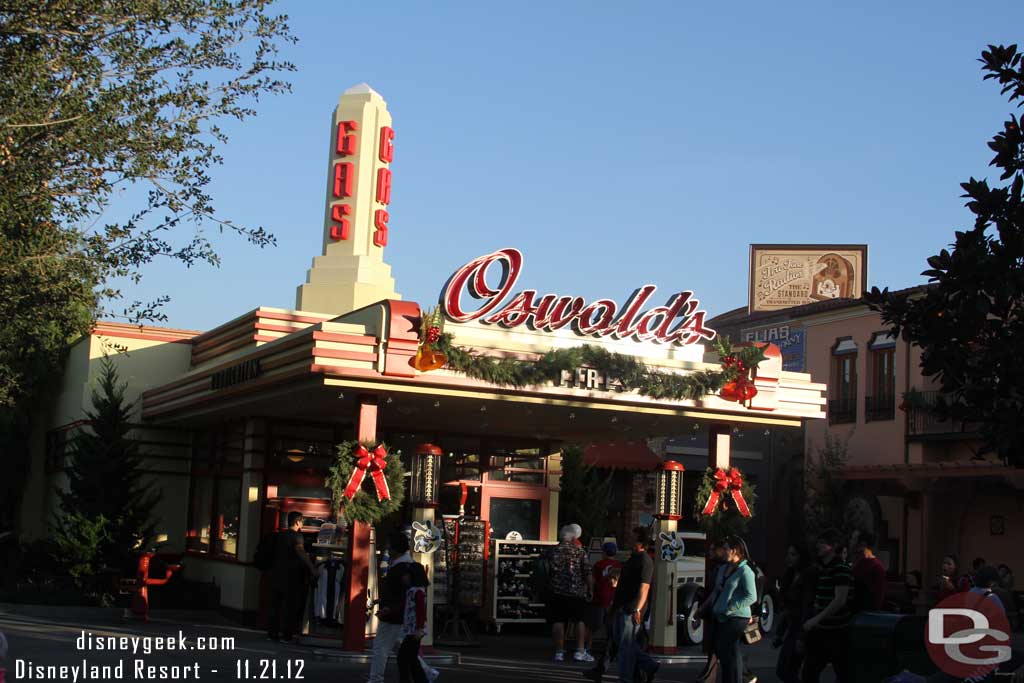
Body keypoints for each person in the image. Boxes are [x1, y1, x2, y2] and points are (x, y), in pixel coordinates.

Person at [369, 531, 428, 683]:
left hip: (393, 618)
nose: (386, 549)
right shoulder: (413, 566)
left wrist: (387, 608)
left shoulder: (397, 569)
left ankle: (376, 679)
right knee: (406, 653)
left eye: (389, 546)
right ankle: (426, 675)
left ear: (394, 548)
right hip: (406, 620)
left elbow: (402, 597)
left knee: (382, 648)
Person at [800, 529, 854, 683]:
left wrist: (815, 619)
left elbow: (840, 600)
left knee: (843, 673)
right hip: (821, 631)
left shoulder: (841, 569)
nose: (818, 546)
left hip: (837, 632)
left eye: (823, 543)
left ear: (833, 546)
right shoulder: (823, 568)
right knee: (809, 673)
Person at [610, 526, 659, 683]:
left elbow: (644, 588)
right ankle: (649, 665)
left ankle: (625, 678)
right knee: (622, 642)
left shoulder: (645, 561)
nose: (630, 539)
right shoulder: (633, 558)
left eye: (633, 537)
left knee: (625, 646)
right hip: (621, 605)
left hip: (631, 608)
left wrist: (637, 608)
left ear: (640, 542)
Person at [711, 535, 757, 683]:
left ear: (734, 550)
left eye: (725, 549)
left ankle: (737, 678)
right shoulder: (723, 568)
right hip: (721, 616)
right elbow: (717, 591)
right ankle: (739, 677)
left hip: (737, 617)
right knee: (724, 652)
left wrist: (730, 608)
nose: (723, 551)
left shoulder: (745, 571)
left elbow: (751, 596)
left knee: (728, 651)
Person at [267, 511, 317, 642]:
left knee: (275, 605)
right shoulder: (297, 537)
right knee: (290, 606)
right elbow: (301, 553)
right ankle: (286, 635)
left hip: (276, 574)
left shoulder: (279, 535)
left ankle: (272, 634)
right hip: (291, 576)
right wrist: (312, 568)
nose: (302, 524)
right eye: (302, 521)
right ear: (297, 522)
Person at [548, 524, 594, 662]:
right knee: (580, 620)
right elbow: (587, 572)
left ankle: (559, 652)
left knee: (558, 620)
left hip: (557, 590)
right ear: (574, 537)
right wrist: (590, 589)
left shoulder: (553, 551)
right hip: (576, 591)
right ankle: (579, 651)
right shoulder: (579, 551)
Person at [774, 543, 812, 683]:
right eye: (789, 554)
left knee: (785, 670)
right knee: (787, 670)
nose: (789, 558)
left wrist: (802, 636)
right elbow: (785, 608)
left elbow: (807, 606)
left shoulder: (808, 574)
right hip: (792, 626)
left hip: (802, 627)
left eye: (793, 554)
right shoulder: (790, 574)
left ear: (802, 556)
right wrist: (779, 633)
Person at [396, 556, 429, 683]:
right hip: (412, 630)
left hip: (415, 631)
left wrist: (419, 628)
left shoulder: (417, 592)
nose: (403, 578)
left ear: (413, 576)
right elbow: (404, 607)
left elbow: (421, 611)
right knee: (411, 659)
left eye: (406, 575)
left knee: (403, 658)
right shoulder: (411, 591)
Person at [585, 542, 622, 654]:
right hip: (613, 599)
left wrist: (589, 591)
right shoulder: (619, 565)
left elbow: (593, 580)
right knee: (611, 627)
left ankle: (588, 646)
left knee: (594, 625)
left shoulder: (598, 565)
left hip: (599, 598)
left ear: (604, 552)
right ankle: (611, 648)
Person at [852, 531, 886, 611]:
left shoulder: (875, 566)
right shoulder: (857, 562)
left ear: (862, 544)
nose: (850, 541)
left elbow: (878, 597)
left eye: (853, 539)